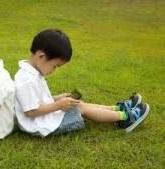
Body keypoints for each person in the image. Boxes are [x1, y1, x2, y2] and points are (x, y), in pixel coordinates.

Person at [14, 29, 150, 137]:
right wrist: (57, 105)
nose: (53, 71)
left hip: (43, 118)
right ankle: (124, 118)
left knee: (79, 104)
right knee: (80, 108)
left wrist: (56, 98)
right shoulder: (27, 80)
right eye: (54, 66)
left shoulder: (33, 73)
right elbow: (30, 112)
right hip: (40, 126)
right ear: (41, 57)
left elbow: (37, 100)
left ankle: (117, 109)